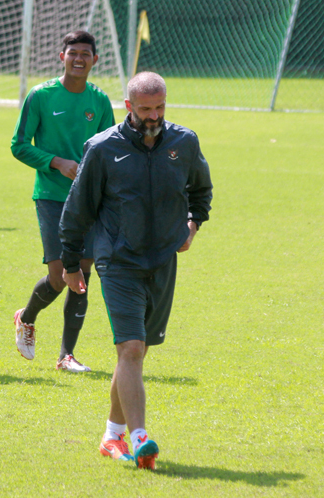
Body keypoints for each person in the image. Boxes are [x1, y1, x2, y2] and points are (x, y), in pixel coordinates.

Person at [60, 72, 212, 469]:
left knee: (137, 351)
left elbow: (201, 191)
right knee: (128, 347)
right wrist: (72, 264)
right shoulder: (102, 148)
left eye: (160, 107)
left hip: (162, 261)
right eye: (145, 109)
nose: (154, 115)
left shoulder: (185, 142)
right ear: (128, 107)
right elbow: (77, 211)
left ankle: (112, 437)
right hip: (117, 260)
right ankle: (141, 436)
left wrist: (192, 225)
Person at [10, 30, 115, 372]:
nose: (79, 58)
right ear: (62, 57)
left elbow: (111, 150)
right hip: (52, 196)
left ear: (95, 60)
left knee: (83, 276)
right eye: (73, 53)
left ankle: (66, 355)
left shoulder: (99, 102)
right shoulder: (40, 96)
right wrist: (56, 162)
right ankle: (26, 317)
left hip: (89, 201)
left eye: (86, 53)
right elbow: (19, 145)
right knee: (59, 277)